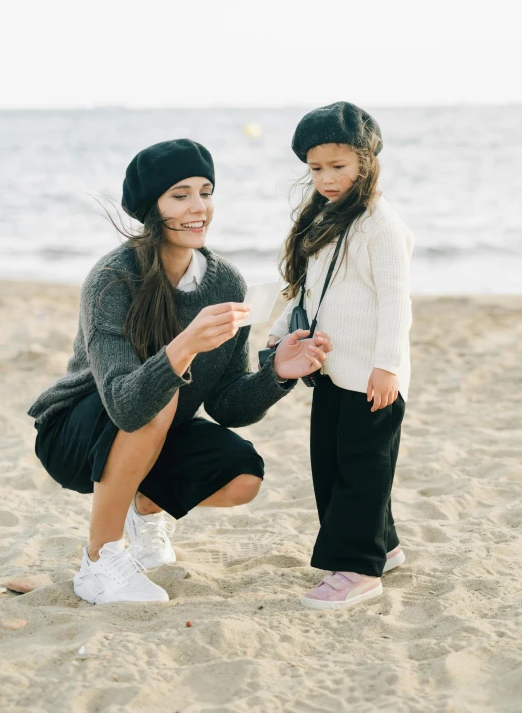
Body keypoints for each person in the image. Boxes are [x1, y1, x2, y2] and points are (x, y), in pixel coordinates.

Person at [28, 138, 332, 605]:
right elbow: (127, 406)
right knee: (159, 397)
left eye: (206, 192)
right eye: (180, 194)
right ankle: (99, 561)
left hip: (154, 435)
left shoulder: (224, 281)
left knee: (243, 477)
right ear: (152, 207)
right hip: (77, 433)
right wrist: (185, 345)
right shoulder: (113, 278)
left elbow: (227, 405)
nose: (199, 207)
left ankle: (146, 509)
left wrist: (278, 375)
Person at [267, 103, 414, 609]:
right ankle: (383, 547)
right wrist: (280, 332)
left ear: (366, 161)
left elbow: (396, 300)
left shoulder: (381, 224)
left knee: (363, 470)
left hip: (373, 374)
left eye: (339, 166)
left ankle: (359, 571)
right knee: (332, 467)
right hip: (330, 370)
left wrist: (388, 365)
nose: (326, 178)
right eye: (315, 168)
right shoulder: (326, 218)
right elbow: (308, 290)